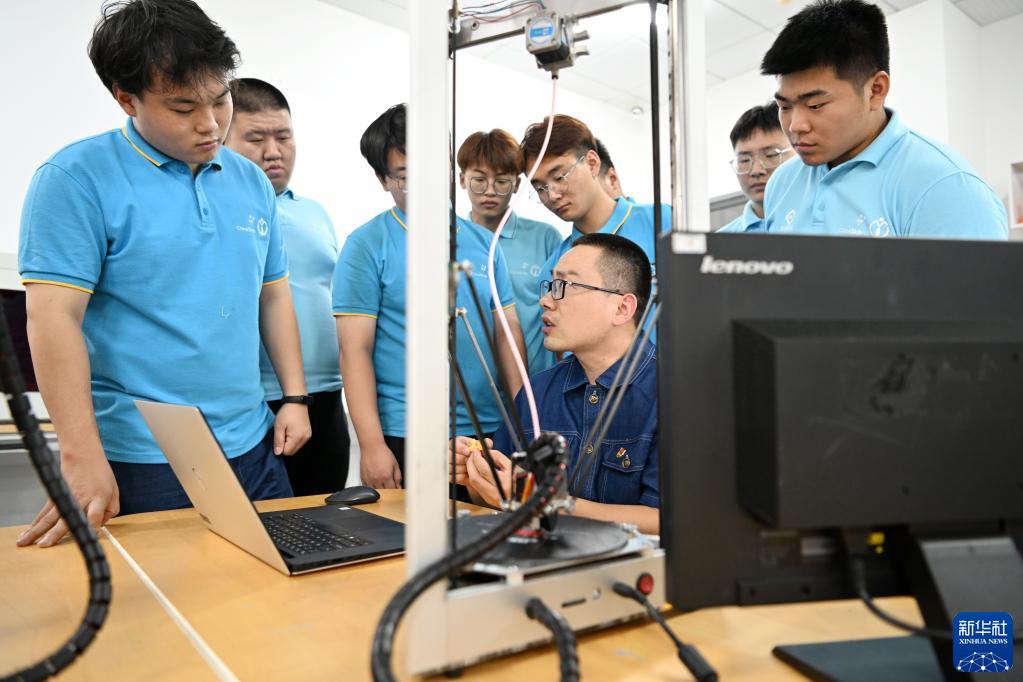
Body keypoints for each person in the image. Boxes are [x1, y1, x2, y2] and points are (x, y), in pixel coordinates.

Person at [17, 0, 310, 548]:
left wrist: (294, 397)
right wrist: (81, 457)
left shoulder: (249, 180)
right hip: (143, 455)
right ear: (126, 98)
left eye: (220, 99)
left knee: (278, 591)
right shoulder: (75, 178)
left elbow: (272, 295)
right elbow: (52, 320)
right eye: (182, 107)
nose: (210, 123)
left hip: (253, 443)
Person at [334, 104, 526, 489]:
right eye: (407, 176)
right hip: (408, 432)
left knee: (489, 524)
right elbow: (355, 350)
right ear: (383, 179)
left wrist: (525, 424)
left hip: (486, 428)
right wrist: (372, 445)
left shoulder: (482, 242)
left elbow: (507, 336)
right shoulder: (367, 245)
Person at [452, 233, 659, 534]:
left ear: (622, 308)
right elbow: (498, 497)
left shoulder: (673, 394)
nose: (546, 300)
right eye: (550, 286)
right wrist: (476, 474)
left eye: (565, 286)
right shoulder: (538, 392)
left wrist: (540, 501)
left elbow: (668, 520)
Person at [761, 0, 1007, 239]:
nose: (795, 126)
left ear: (875, 90)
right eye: (784, 106)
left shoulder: (943, 187)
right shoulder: (782, 183)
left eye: (815, 105)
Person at [224, 78, 351, 495]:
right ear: (221, 138)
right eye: (255, 138)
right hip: (259, 402)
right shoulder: (221, 208)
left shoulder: (315, 212)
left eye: (283, 136)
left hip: (327, 395)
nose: (273, 151)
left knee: (328, 516)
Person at [458, 129, 562, 375]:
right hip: (472, 387)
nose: (490, 191)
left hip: (538, 384)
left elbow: (565, 313)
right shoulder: (452, 242)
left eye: (502, 181)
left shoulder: (546, 238)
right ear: (462, 180)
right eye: (479, 180)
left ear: (516, 184)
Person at [520, 115, 669, 279]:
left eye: (560, 177)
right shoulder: (554, 270)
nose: (552, 196)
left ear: (592, 163)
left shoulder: (663, 220)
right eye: (540, 188)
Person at [718, 102, 794, 233]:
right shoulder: (721, 241)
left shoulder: (825, 222)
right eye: (744, 160)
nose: (756, 171)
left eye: (771, 155)